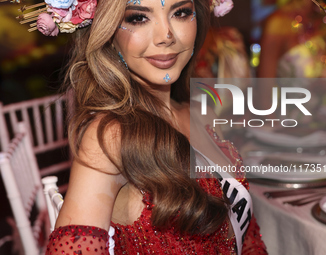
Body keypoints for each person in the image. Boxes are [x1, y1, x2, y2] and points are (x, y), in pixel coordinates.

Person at [33, 0, 268, 254]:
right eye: (138, 18)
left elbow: (246, 237)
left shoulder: (202, 115)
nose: (166, 35)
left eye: (180, 12)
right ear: (109, 33)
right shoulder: (111, 137)